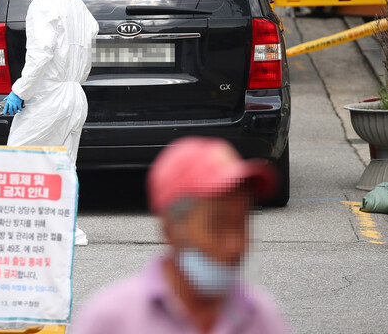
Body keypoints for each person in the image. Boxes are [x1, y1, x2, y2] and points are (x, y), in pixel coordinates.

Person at [71, 136, 291, 334]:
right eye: (217, 226)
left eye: (242, 224)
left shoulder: (260, 317)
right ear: (170, 229)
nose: (236, 244)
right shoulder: (111, 319)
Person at [2, 0, 99, 246]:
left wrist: (19, 91)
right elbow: (92, 32)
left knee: (18, 155)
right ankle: (66, 231)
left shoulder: (42, 6)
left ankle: (17, 227)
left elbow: (40, 54)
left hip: (50, 97)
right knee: (64, 164)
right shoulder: (77, 4)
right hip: (75, 95)